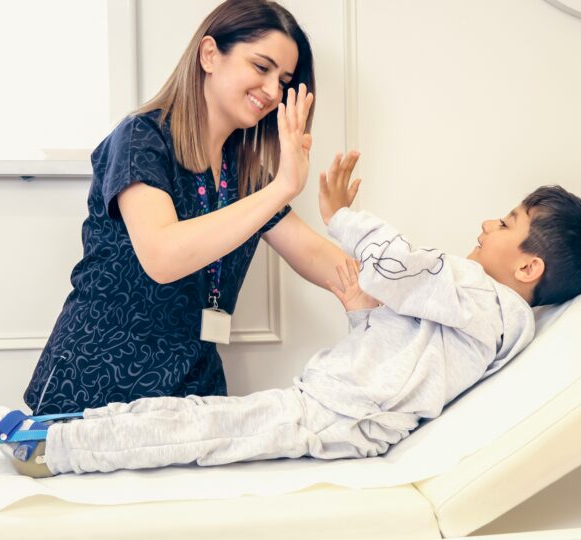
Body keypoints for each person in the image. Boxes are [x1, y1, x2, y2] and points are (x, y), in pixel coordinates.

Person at [0, 158, 581, 478]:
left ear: (528, 267)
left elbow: (404, 267)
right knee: (196, 417)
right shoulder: (485, 313)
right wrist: (364, 315)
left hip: (341, 417)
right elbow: (406, 356)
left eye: (506, 223)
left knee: (200, 430)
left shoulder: (489, 300)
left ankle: (53, 449)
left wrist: (344, 218)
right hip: (337, 408)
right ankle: (56, 431)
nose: (486, 223)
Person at [23, 0, 357, 415]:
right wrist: (284, 187)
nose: (274, 92)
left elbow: (332, 268)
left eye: (284, 81)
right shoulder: (141, 138)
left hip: (191, 394)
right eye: (261, 67)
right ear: (210, 55)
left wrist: (415, 276)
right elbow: (163, 256)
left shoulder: (246, 176)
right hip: (95, 389)